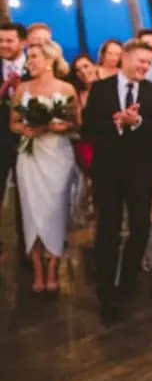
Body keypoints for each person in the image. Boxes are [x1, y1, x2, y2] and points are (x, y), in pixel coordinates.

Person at [83, 40, 152, 322]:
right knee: (108, 229)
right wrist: (117, 122)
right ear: (126, 59)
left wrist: (139, 122)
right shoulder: (101, 89)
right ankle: (106, 293)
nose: (145, 66)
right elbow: (87, 129)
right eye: (141, 61)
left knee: (141, 226)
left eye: (149, 62)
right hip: (107, 170)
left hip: (141, 171)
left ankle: (127, 283)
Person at [11, 42, 79, 292]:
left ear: (50, 60)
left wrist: (59, 127)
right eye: (29, 58)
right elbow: (13, 123)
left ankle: (53, 268)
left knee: (56, 210)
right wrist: (26, 129)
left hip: (57, 155)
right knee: (31, 212)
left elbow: (76, 123)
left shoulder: (66, 88)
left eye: (35, 57)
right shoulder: (22, 88)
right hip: (30, 156)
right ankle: (38, 270)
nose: (30, 62)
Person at [0, 22, 28, 263]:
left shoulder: (35, 68)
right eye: (0, 41)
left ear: (23, 42)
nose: (4, 45)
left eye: (9, 41)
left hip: (27, 142)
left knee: (25, 196)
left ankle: (26, 248)